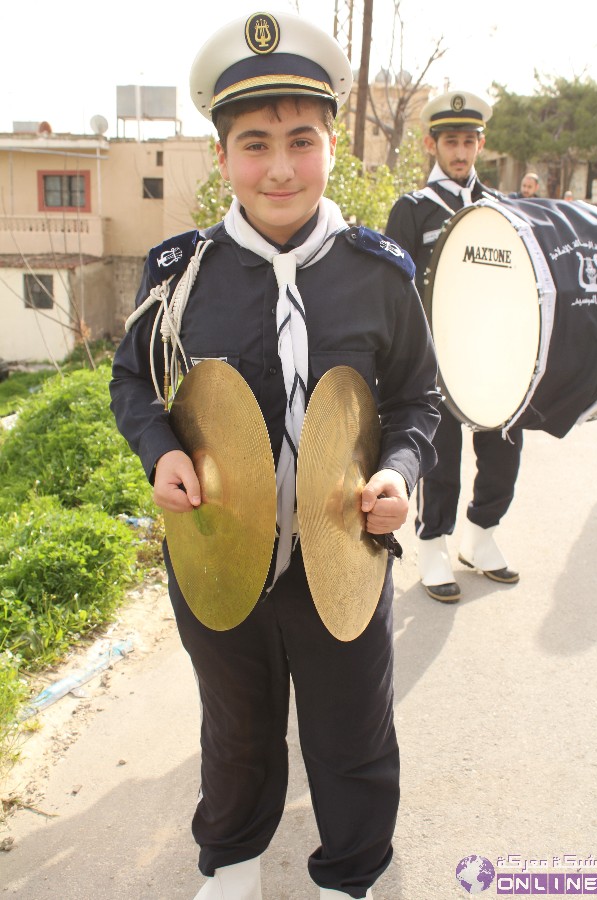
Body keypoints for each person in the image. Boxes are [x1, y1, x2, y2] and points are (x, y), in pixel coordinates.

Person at [110, 11, 441, 900]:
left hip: (344, 556)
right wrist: (159, 453)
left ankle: (350, 874)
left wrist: (400, 474)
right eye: (254, 144)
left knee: (353, 731)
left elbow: (418, 398)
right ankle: (234, 861)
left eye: (302, 139)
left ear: (335, 145)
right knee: (238, 727)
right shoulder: (179, 275)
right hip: (220, 554)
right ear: (221, 160)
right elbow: (133, 385)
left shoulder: (381, 274)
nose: (281, 167)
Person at [385, 90, 522, 603]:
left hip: (493, 356)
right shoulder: (413, 210)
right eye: (450, 141)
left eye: (469, 141)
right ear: (431, 144)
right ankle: (434, 545)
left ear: (481, 144)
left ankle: (481, 535)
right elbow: (394, 290)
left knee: (504, 449)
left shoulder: (499, 209)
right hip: (436, 358)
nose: (460, 150)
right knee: (438, 458)